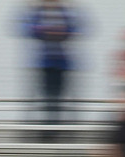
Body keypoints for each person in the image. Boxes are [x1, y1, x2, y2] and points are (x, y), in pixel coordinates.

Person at [19, 0, 81, 141]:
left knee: (58, 99)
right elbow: (27, 28)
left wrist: (58, 31)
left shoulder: (65, 12)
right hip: (43, 63)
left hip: (62, 63)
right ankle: (40, 130)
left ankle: (56, 131)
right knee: (43, 98)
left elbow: (76, 29)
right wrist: (46, 30)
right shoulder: (37, 12)